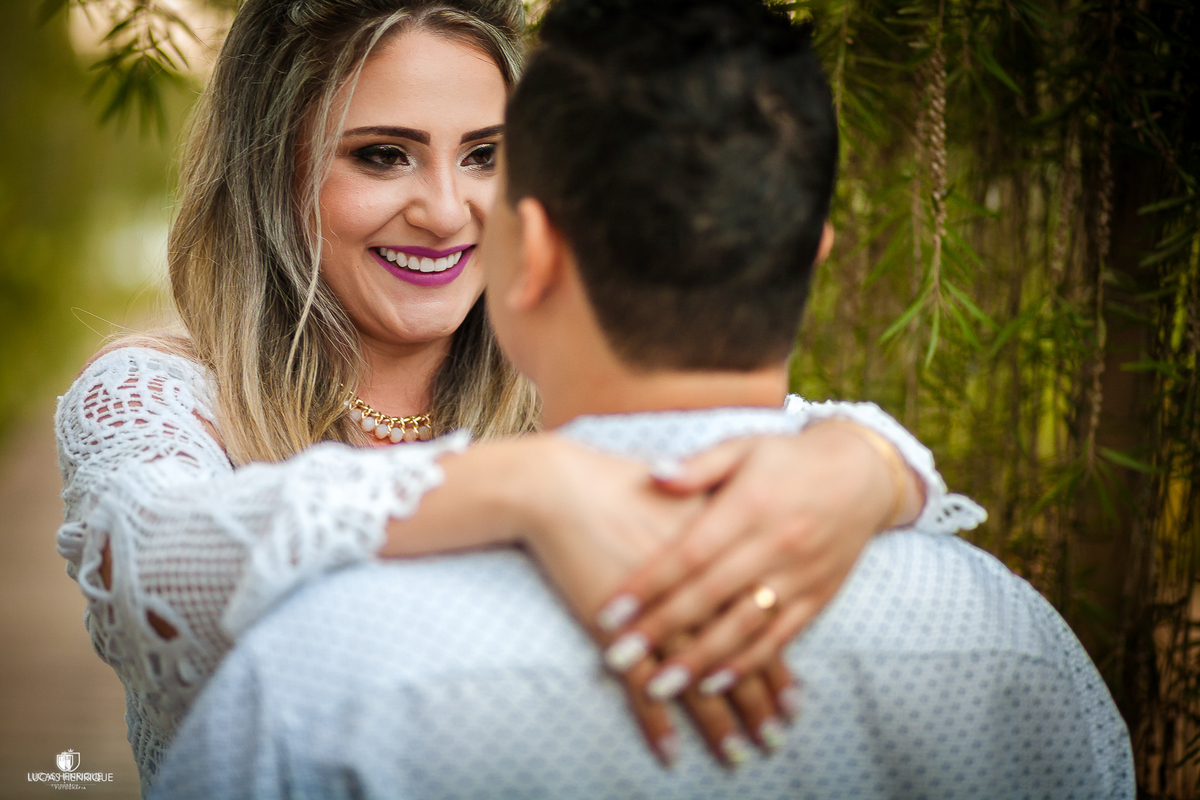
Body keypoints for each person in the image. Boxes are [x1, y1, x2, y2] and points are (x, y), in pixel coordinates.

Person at [147, 0, 1134, 797]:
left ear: (529, 251)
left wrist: (872, 464)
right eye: (381, 153)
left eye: (487, 155)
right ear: (813, 253)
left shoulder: (320, 677)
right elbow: (152, 550)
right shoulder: (1023, 650)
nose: (449, 210)